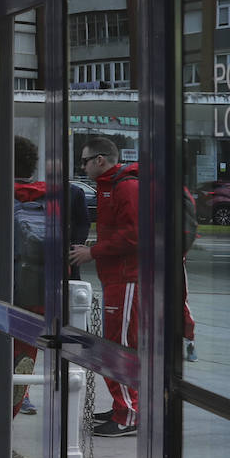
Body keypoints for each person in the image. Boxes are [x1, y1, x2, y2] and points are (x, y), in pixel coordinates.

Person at [10, 136, 91, 416]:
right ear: (33, 165)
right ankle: (22, 396)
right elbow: (77, 229)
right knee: (29, 348)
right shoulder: (59, 194)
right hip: (44, 287)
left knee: (0, 348)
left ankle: (12, 401)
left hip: (9, 287)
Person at [69, 137, 140, 438]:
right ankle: (124, 406)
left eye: (84, 161)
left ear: (100, 159)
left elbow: (135, 235)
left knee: (118, 347)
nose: (82, 167)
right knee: (119, 344)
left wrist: (92, 252)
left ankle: (127, 415)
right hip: (118, 278)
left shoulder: (125, 187)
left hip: (127, 279)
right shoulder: (111, 186)